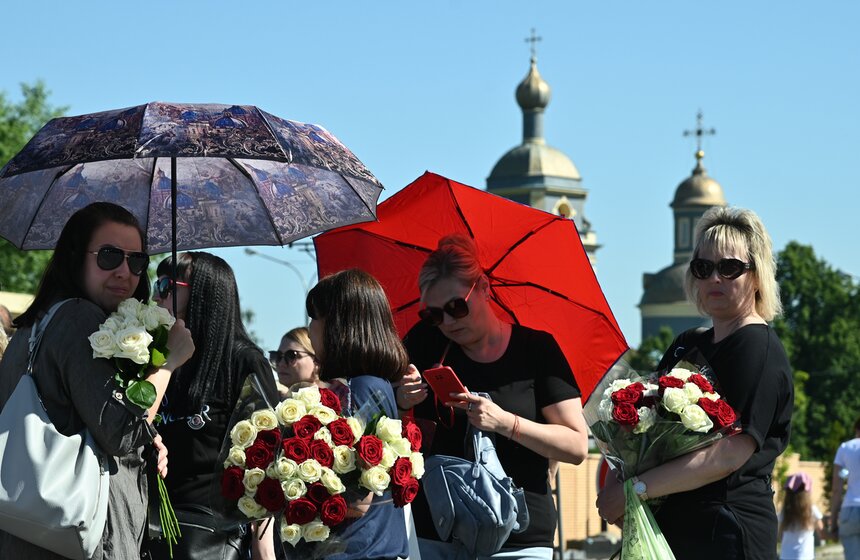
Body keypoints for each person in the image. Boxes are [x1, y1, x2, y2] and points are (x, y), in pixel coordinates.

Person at [597, 206, 794, 560]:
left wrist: (634, 491)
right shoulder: (689, 342)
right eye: (703, 268)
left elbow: (729, 454)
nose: (714, 278)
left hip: (727, 530)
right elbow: (643, 432)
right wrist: (620, 486)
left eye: (729, 267)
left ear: (756, 276)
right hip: (672, 529)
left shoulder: (756, 347)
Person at [0, 202, 195, 559]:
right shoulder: (79, 319)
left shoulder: (36, 324)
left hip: (28, 532)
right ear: (76, 257)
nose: (125, 271)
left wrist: (148, 440)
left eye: (136, 260)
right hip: (80, 537)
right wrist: (168, 364)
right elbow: (120, 432)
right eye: (109, 256)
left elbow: (92, 415)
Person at [397, 234, 589, 560]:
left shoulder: (536, 350)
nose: (447, 322)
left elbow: (576, 446)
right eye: (434, 314)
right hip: (439, 530)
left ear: (483, 288)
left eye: (456, 307)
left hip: (518, 537)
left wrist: (504, 422)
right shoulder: (425, 343)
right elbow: (392, 431)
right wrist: (401, 400)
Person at [148, 252, 278, 560]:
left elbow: (264, 461)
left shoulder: (244, 361)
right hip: (148, 523)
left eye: (167, 285)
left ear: (204, 294)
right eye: (156, 284)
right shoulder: (155, 355)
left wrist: (263, 548)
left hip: (210, 534)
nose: (156, 295)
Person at [305, 268, 410, 560]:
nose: (310, 328)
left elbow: (357, 498)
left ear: (338, 326)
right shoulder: (374, 384)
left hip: (359, 549)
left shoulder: (362, 388)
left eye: (316, 317)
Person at [831, 417, 860, 559]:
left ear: (856, 429)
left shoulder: (845, 448)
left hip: (850, 509)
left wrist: (833, 523)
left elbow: (837, 489)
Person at [778, 472, 823, 560]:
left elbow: (779, 535)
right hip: (805, 555)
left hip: (786, 555)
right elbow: (821, 529)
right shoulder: (811, 510)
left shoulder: (785, 511)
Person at [271, 326, 318, 395]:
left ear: (316, 360)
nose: (281, 363)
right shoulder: (271, 401)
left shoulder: (333, 402)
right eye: (278, 356)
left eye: (291, 356)